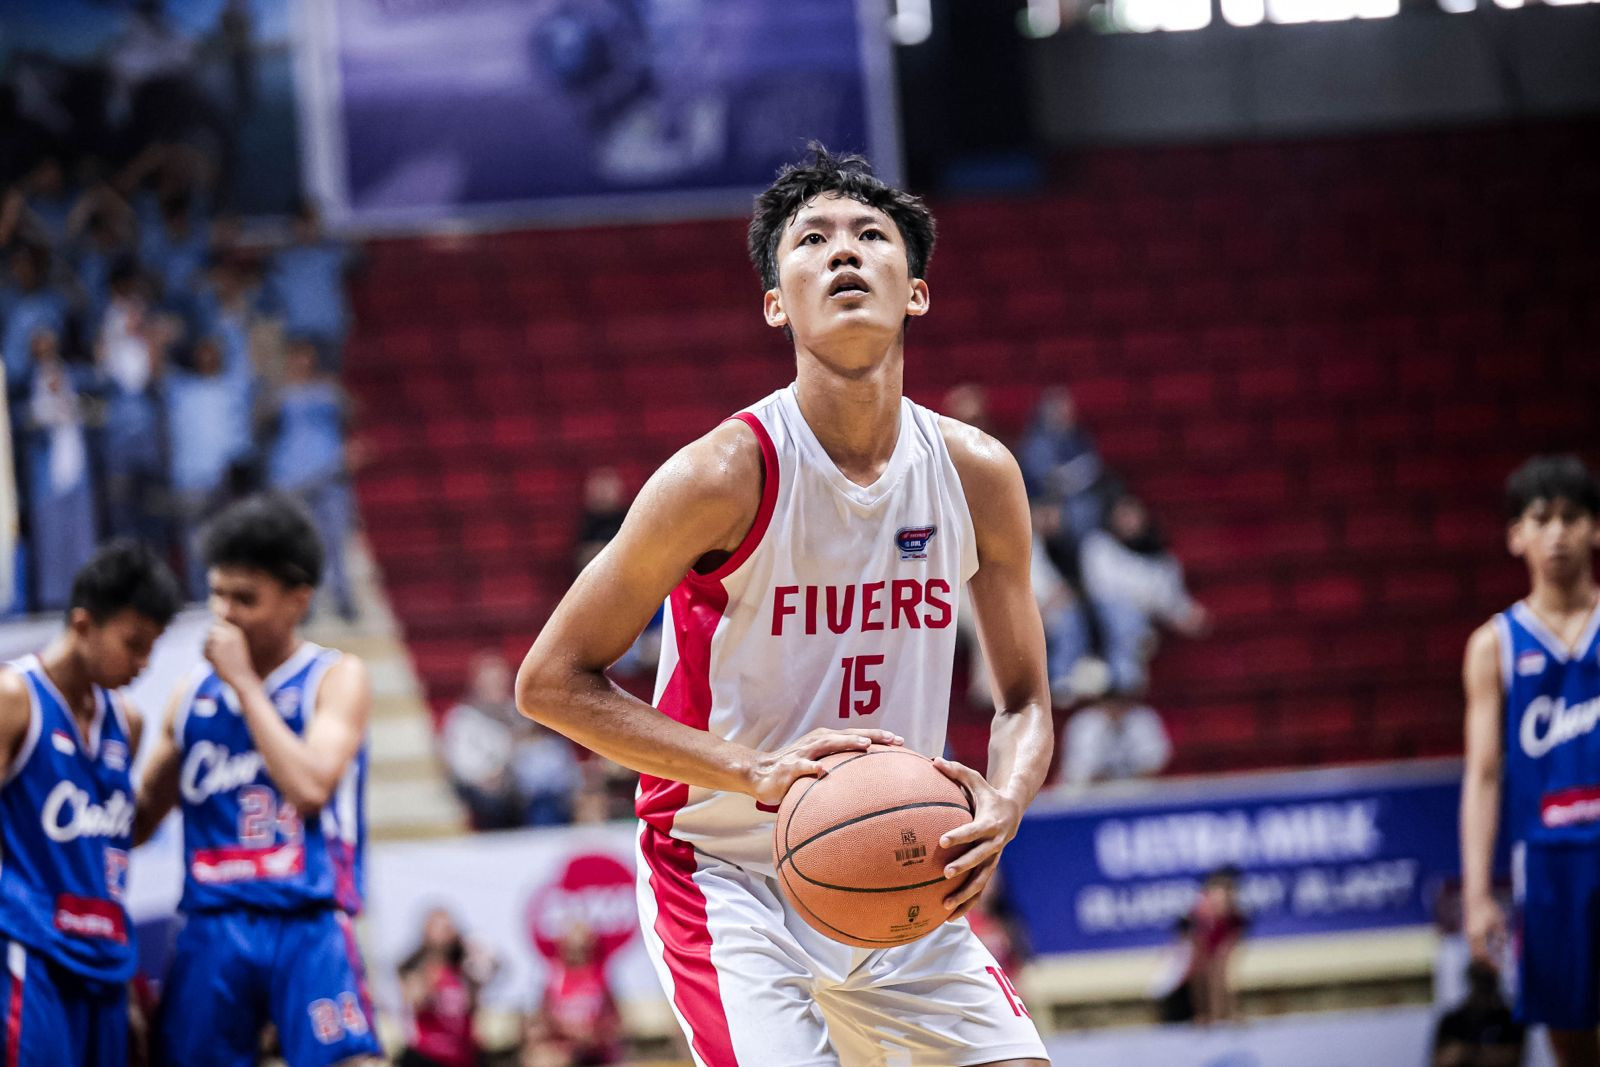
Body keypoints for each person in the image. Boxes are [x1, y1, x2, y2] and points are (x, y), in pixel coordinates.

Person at [517, 145, 1053, 1066]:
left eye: (871, 235)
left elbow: (1026, 701)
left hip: (895, 863)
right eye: (812, 239)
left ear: (917, 291)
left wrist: (1003, 802)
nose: (844, 250)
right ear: (776, 303)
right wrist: (751, 768)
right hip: (725, 874)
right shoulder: (721, 474)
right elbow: (550, 682)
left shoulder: (977, 474)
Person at [133, 493, 382, 1066]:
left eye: (245, 598)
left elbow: (310, 789)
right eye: (218, 593)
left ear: (298, 600)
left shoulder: (333, 677)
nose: (225, 614)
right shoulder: (190, 694)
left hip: (307, 918)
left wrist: (245, 685)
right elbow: (138, 821)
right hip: (212, 923)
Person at [0, 540, 183, 1065]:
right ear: (83, 624)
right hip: (30, 949)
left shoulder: (127, 722)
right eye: (134, 644)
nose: (144, 663)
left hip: (106, 956)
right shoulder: (15, 699)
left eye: (152, 648)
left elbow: (121, 837)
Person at [1460, 454, 1600, 1067]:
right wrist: (1476, 895)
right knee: (1571, 1043)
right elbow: (1484, 775)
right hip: (1546, 864)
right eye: (1542, 519)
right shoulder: (1494, 645)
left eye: (1571, 517)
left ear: (1596, 528)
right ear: (1516, 535)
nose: (1557, 533)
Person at [397, 908, 498, 1067]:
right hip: (427, 1057)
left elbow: (475, 1004)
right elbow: (416, 1000)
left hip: (462, 1057)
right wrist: (435, 959)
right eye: (442, 928)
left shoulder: (463, 973)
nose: (448, 934)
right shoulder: (415, 970)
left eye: (450, 928)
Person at [1432, 961, 1525, 1067]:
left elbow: (1514, 1056)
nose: (1482, 989)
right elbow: (1439, 1059)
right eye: (1479, 982)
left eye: (1485, 983)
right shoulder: (1453, 1020)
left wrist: (1466, 1052)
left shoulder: (1508, 1019)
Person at [1187, 866, 1248, 1024]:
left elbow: (1236, 928)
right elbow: (1195, 930)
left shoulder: (1231, 907)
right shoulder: (1202, 906)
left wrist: (1227, 947)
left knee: (1223, 977)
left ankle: (1227, 1012)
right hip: (1205, 943)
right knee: (1201, 977)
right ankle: (1205, 1013)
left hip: (1222, 942)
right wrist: (1199, 947)